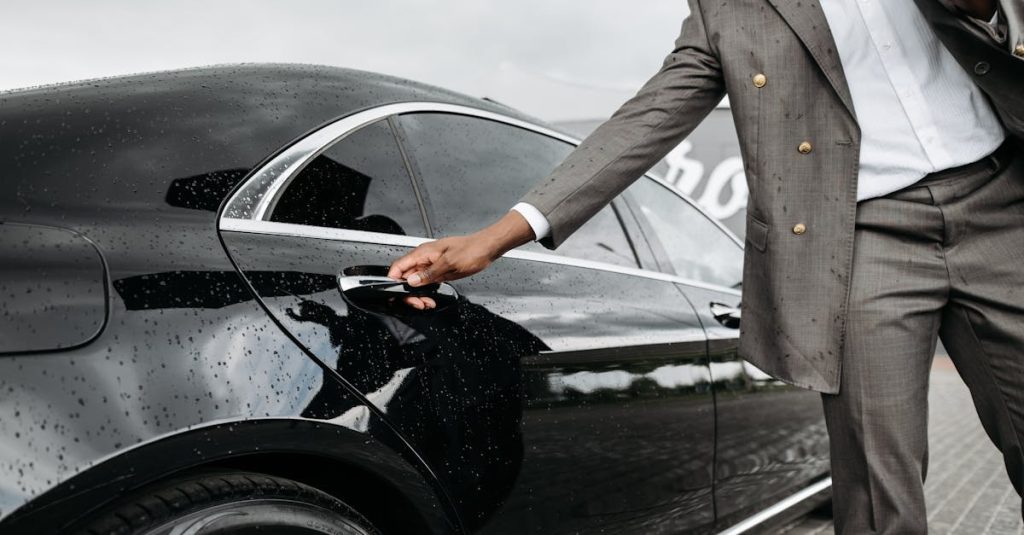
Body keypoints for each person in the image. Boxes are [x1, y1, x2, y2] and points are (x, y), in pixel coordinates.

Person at [389, 0, 1024, 532]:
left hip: (1003, 197)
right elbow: (654, 112)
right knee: (880, 495)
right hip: (859, 238)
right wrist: (500, 235)